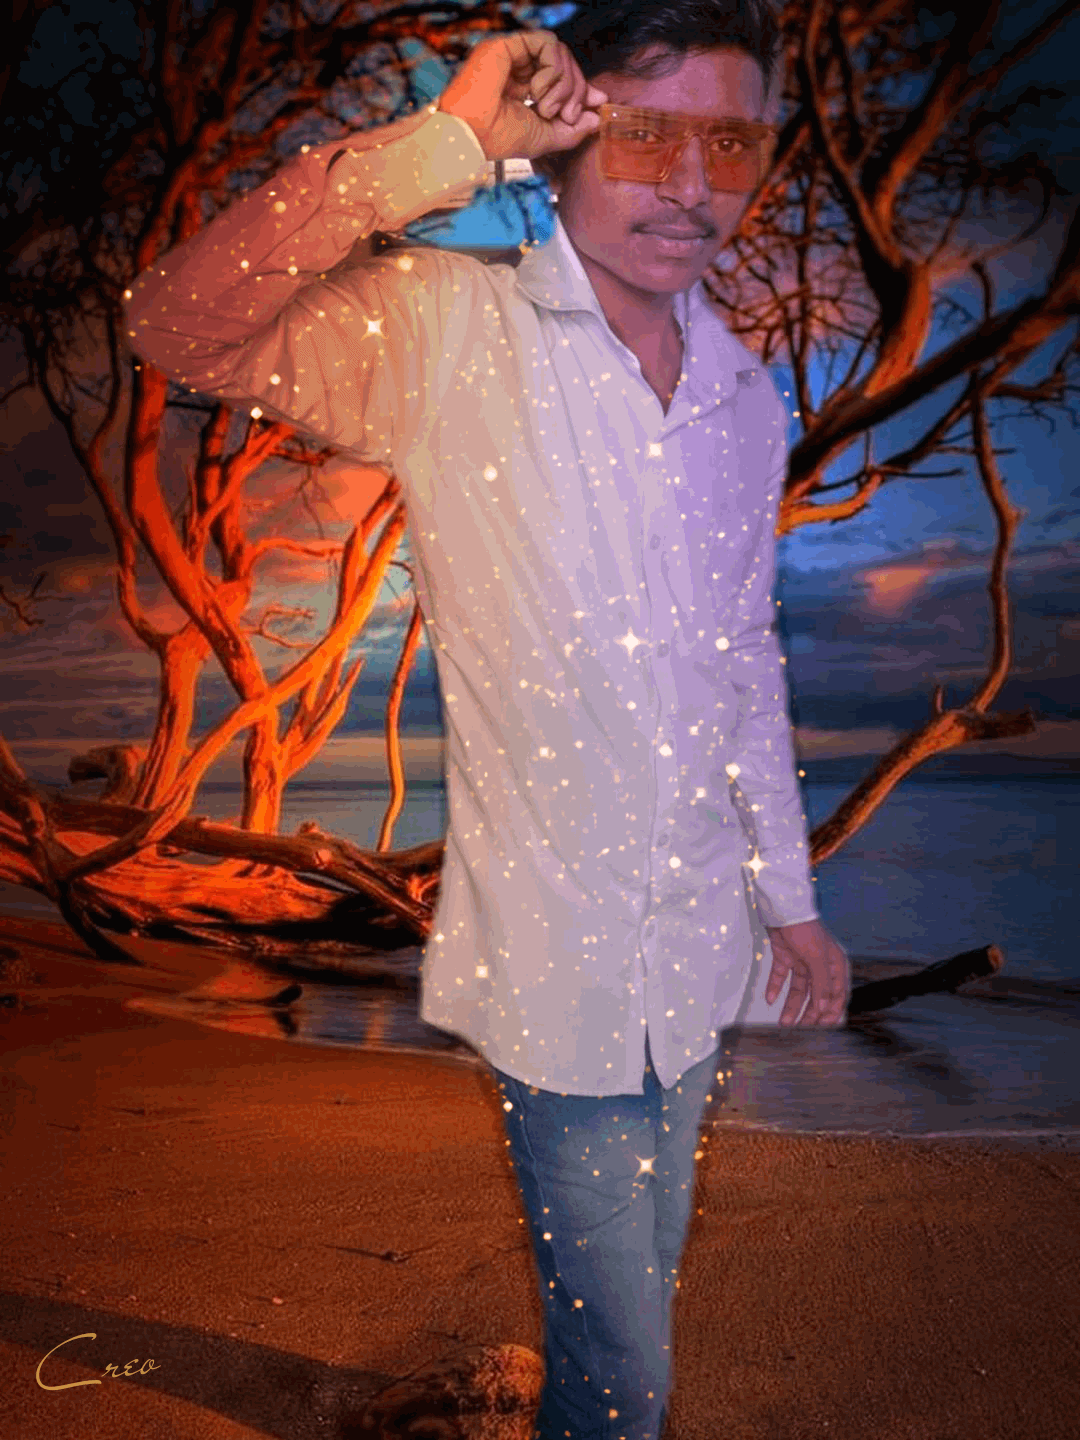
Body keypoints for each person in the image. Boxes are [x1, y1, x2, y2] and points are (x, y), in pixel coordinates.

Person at [124, 3, 850, 1435]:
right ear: (569, 138)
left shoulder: (740, 398)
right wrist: (450, 141)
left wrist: (791, 903)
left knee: (625, 1319)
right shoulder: (454, 324)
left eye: (729, 142)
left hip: (697, 945)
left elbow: (738, 664)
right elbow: (176, 324)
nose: (691, 184)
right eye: (645, 134)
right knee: (627, 1380)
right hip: (556, 966)